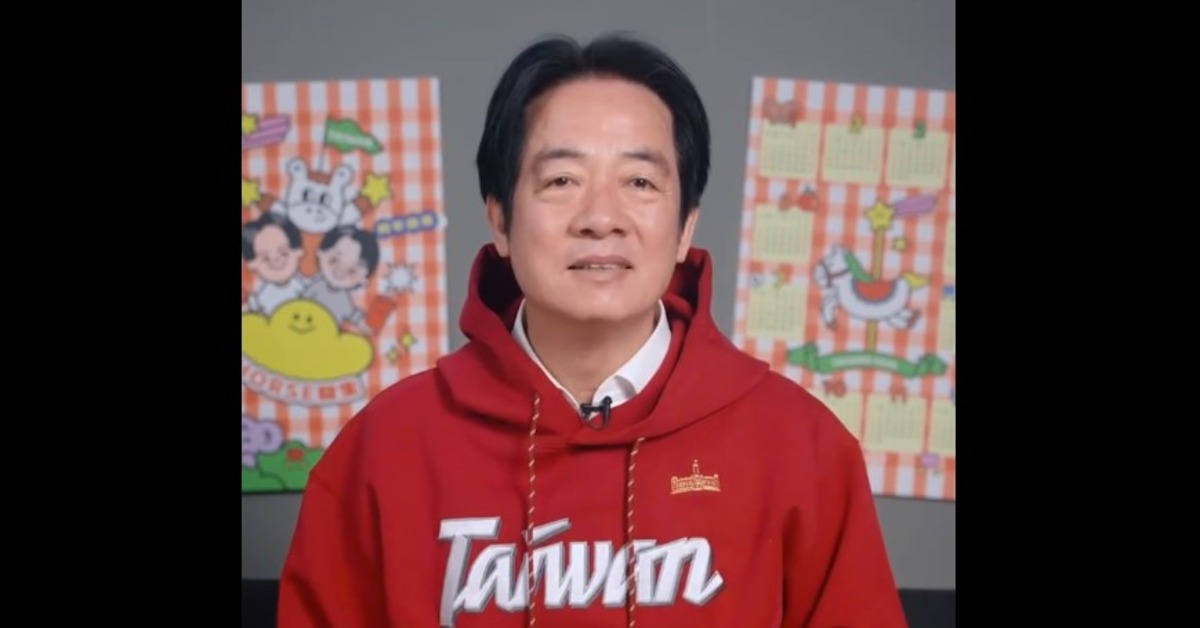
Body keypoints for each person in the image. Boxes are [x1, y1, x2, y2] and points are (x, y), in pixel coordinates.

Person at [277, 32, 908, 628]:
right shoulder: (383, 449)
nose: (601, 217)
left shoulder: (802, 447)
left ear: (685, 227)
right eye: (561, 180)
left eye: (639, 182)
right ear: (499, 220)